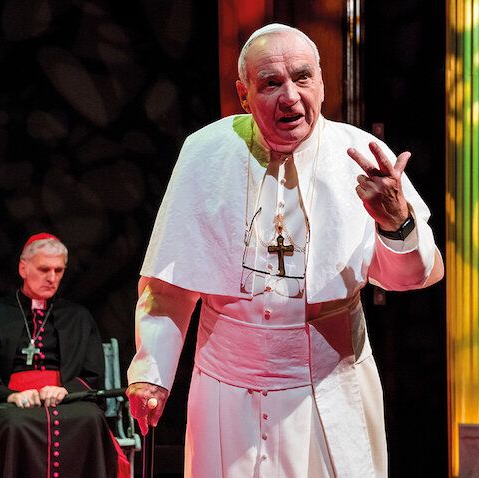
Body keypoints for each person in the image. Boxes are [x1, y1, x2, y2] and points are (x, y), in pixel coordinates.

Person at [125, 23, 445, 477]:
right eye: (271, 83)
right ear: (243, 94)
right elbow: (170, 285)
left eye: (302, 78)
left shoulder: (360, 153)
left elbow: (414, 276)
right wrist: (150, 373)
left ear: (321, 81)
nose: (290, 96)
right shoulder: (205, 152)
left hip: (330, 390)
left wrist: (397, 222)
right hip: (227, 392)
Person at [0, 233, 125, 478]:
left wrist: (67, 390)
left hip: (67, 401)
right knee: (14, 424)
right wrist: (11, 396)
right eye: (44, 269)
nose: (52, 278)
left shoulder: (79, 317)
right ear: (23, 268)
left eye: (59, 270)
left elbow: (93, 375)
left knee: (90, 418)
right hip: (11, 403)